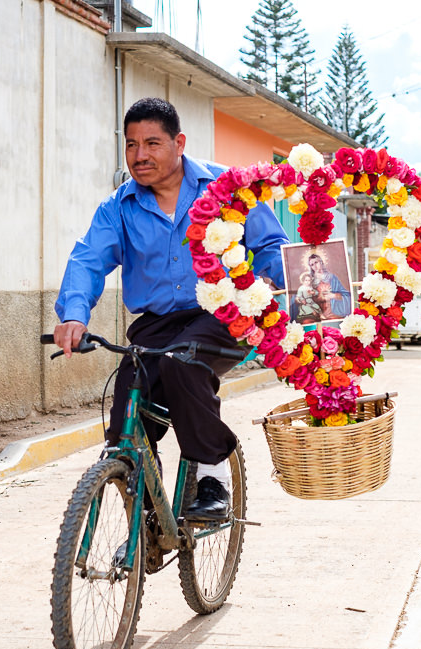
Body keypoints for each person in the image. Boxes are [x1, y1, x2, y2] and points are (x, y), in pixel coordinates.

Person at [54, 97, 289, 520]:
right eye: (131, 145)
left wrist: (282, 282)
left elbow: (272, 245)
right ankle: (148, 514)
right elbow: (88, 259)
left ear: (179, 143)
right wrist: (74, 314)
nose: (139, 156)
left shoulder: (226, 188)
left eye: (152, 143)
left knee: (185, 364)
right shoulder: (119, 207)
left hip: (220, 318)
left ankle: (213, 477)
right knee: (129, 403)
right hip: (156, 324)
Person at [307, 252, 351, 320]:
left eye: (316, 262)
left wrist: (334, 295)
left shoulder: (332, 278)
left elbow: (346, 295)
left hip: (333, 312)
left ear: (321, 262)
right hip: (318, 313)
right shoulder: (310, 280)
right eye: (312, 265)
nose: (315, 266)